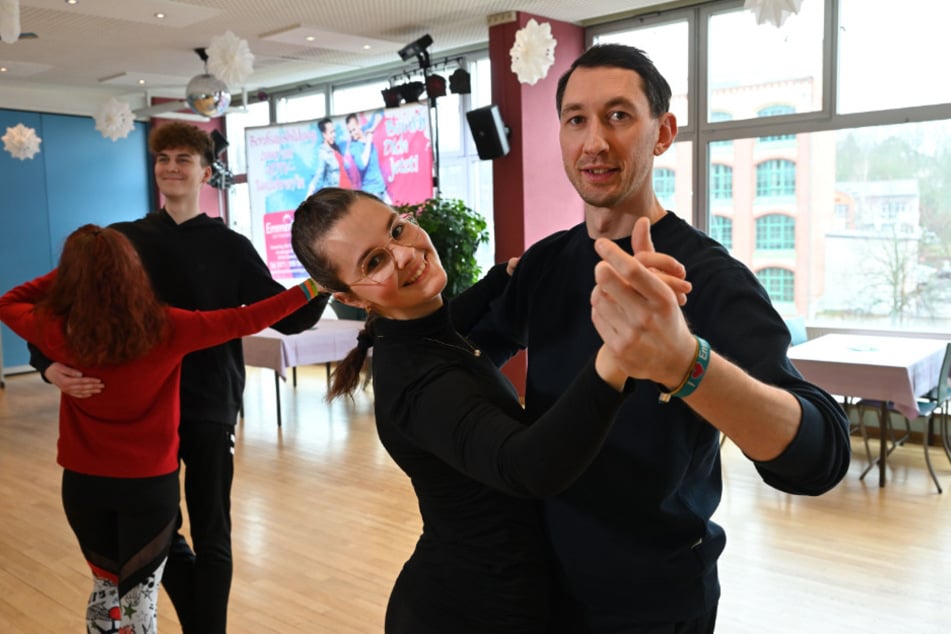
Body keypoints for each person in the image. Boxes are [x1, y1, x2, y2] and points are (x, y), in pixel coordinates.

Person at [464, 43, 853, 632]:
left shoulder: (713, 279)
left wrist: (684, 362)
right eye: (577, 120)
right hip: (536, 579)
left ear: (662, 133)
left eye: (618, 116)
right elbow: (469, 348)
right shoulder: (544, 263)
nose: (594, 141)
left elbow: (819, 455)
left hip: (654, 598)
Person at [289, 187, 691, 633]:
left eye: (397, 229)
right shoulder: (420, 386)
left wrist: (503, 276)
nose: (404, 255)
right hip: (471, 611)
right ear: (351, 298)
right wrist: (616, 358)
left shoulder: (417, 331)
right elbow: (527, 466)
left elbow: (451, 319)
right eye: (374, 262)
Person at [28, 122, 330, 633]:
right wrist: (45, 363)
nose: (171, 166)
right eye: (163, 157)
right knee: (159, 531)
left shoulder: (230, 247)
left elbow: (289, 316)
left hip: (209, 401)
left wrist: (327, 277)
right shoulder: (123, 239)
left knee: (213, 525)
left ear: (205, 173)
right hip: (141, 411)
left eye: (183, 159)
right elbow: (54, 306)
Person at [344, 112, 390, 201]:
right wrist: (368, 141)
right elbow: (362, 165)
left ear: (359, 125)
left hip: (381, 187)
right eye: (350, 131)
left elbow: (380, 113)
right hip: (371, 191)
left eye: (354, 130)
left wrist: (373, 128)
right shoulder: (353, 147)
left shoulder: (366, 130)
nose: (352, 134)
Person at [307, 117, 353, 195]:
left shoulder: (336, 147)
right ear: (324, 134)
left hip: (348, 190)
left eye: (334, 131)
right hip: (337, 193)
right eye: (331, 132)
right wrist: (310, 191)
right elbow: (319, 173)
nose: (334, 135)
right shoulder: (323, 152)